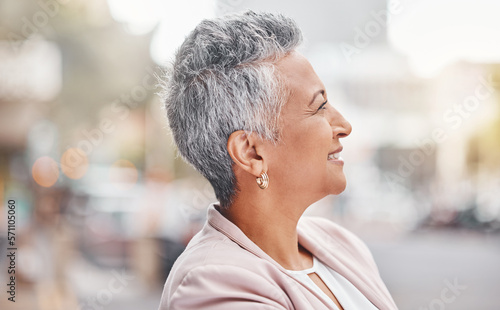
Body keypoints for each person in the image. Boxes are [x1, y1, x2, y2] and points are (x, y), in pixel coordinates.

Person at [158, 11, 397, 310]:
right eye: (319, 106)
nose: (344, 126)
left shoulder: (340, 244)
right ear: (251, 153)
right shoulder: (212, 284)